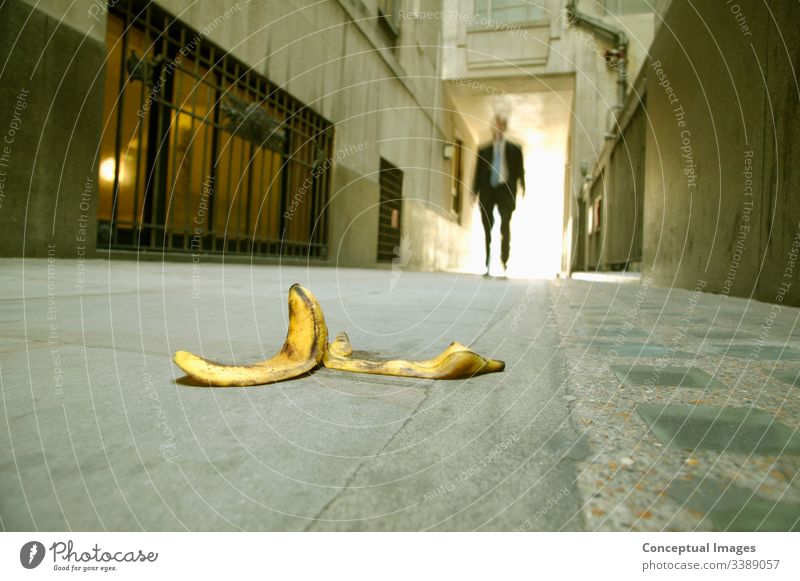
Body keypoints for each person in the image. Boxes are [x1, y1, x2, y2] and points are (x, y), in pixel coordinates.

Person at [472, 114, 525, 276]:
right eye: (496, 125)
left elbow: (520, 171)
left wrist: (523, 187)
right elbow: (477, 172)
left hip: (505, 191)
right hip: (488, 191)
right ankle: (487, 264)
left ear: (505, 128)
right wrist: (473, 192)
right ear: (492, 128)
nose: (498, 129)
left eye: (501, 125)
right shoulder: (484, 150)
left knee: (505, 225)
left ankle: (504, 261)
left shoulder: (515, 149)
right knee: (487, 226)